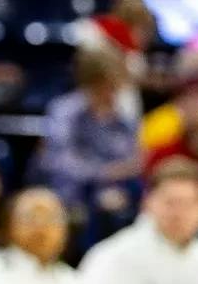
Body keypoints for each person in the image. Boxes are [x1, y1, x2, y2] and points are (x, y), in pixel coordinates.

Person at [34, 46, 141, 231]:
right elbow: (59, 162)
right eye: (109, 85)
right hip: (69, 193)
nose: (114, 92)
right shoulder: (65, 111)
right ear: (93, 83)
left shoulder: (121, 117)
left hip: (110, 195)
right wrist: (105, 173)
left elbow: (131, 161)